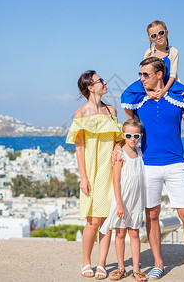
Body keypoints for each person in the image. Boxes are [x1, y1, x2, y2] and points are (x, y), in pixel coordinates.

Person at [121, 57, 184, 281]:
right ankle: (159, 263)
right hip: (148, 165)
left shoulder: (177, 99)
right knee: (152, 215)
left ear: (160, 75)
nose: (141, 79)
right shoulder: (138, 102)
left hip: (176, 164)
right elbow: (130, 130)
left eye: (145, 75)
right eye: (140, 75)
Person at [66, 70, 123, 279]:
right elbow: (79, 148)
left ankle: (101, 263)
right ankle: (86, 261)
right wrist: (83, 177)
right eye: (101, 81)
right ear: (91, 87)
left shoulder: (112, 110)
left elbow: (119, 139)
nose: (105, 82)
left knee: (106, 219)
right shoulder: (80, 114)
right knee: (92, 220)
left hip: (110, 171)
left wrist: (118, 148)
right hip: (91, 170)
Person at [121, 20, 184, 139]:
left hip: (169, 80)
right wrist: (148, 91)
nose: (158, 37)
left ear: (166, 33)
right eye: (154, 35)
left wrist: (164, 90)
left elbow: (173, 73)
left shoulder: (173, 51)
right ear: (150, 38)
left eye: (161, 33)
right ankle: (132, 125)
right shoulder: (149, 52)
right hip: (149, 80)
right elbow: (144, 72)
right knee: (127, 94)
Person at [100, 119, 147, 281]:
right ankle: (121, 267)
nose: (132, 139)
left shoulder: (140, 153)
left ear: (140, 136)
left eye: (136, 136)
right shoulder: (120, 154)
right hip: (122, 199)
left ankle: (136, 268)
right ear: (123, 135)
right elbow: (116, 180)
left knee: (134, 232)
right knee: (120, 233)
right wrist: (119, 204)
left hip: (136, 200)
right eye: (128, 135)